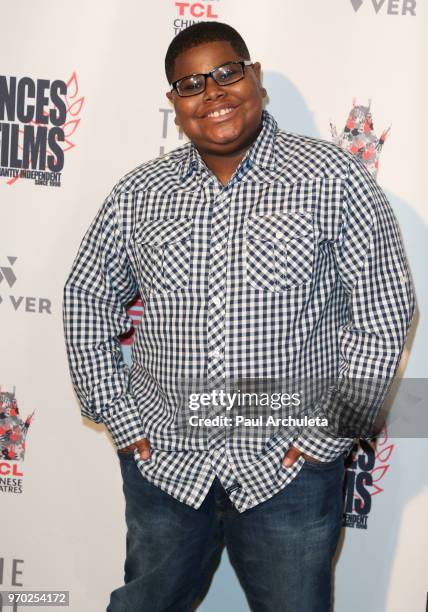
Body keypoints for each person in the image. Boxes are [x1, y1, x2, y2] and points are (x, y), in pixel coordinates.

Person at [62, 21, 415, 612]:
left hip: (288, 470)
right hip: (165, 464)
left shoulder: (333, 179)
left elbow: (383, 313)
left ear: (254, 79)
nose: (214, 93)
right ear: (175, 106)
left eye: (228, 73)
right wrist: (123, 421)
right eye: (192, 83)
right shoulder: (139, 194)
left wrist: (326, 436)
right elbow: (85, 299)